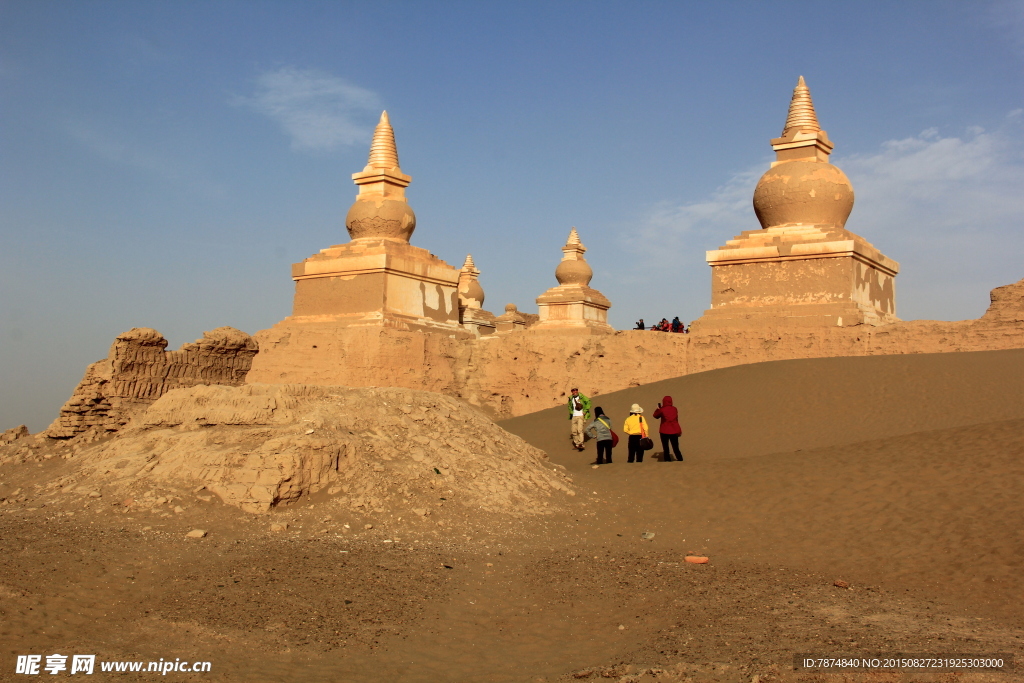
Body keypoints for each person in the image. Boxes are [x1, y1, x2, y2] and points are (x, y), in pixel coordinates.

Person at [652, 395, 683, 461]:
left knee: (666, 448)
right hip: (674, 430)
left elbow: (655, 416)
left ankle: (667, 461)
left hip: (664, 431)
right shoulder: (674, 409)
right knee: (676, 448)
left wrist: (658, 409)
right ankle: (680, 460)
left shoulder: (662, 409)